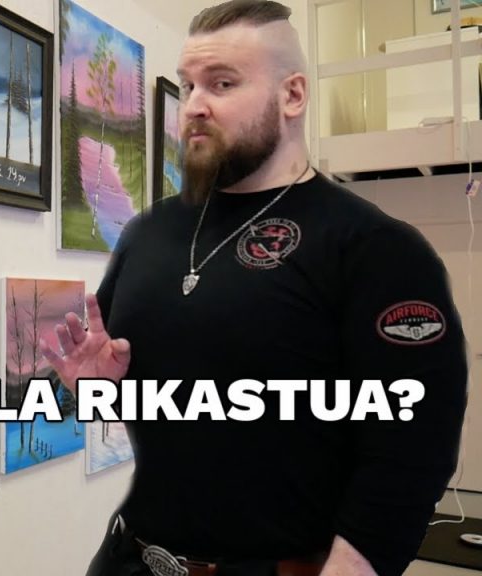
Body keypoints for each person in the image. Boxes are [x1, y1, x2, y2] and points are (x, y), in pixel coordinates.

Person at [42, 1, 467, 575]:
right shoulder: (148, 233)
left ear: (292, 95)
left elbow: (411, 452)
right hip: (130, 558)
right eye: (188, 84)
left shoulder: (374, 248)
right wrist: (101, 392)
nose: (194, 105)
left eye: (222, 83)